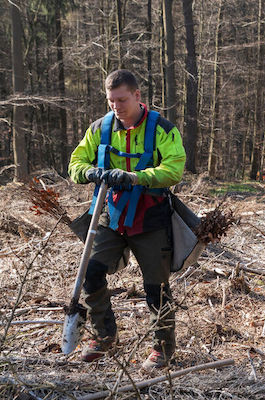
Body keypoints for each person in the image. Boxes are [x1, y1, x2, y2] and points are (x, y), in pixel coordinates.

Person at [68, 69, 186, 369]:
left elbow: (174, 169)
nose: (116, 107)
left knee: (155, 287)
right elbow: (75, 163)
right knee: (91, 273)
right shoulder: (99, 129)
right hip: (110, 214)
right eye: (111, 101)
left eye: (121, 100)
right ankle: (103, 337)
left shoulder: (163, 129)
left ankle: (162, 348)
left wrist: (135, 176)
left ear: (137, 95)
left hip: (150, 216)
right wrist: (89, 172)